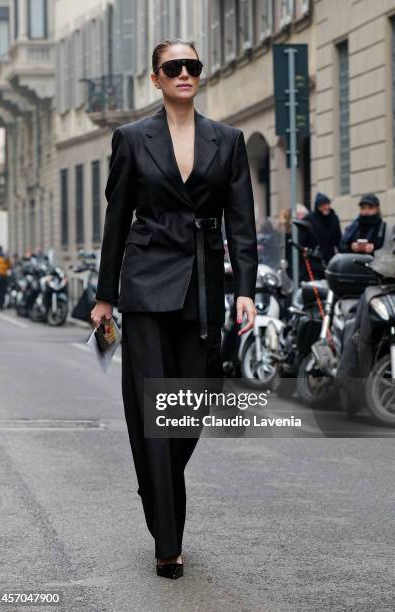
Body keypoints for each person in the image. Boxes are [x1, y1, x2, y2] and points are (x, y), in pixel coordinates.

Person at [90, 38, 258, 579]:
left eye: (192, 66)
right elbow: (117, 220)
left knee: (192, 408)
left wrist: (247, 291)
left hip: (204, 290)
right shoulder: (132, 138)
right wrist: (104, 295)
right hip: (144, 285)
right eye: (173, 67)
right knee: (157, 414)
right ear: (156, 78)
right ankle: (169, 541)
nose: (184, 73)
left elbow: (242, 225)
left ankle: (155, 484)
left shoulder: (227, 140)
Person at [299, 192, 341, 278]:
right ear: (317, 206)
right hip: (313, 260)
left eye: (327, 204)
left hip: (330, 259)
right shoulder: (309, 219)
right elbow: (302, 240)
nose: (325, 207)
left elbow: (338, 239)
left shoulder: (334, 218)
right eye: (322, 205)